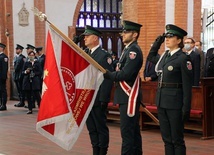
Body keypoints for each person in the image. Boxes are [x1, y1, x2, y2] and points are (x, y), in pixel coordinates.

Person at [147, 24, 193, 155]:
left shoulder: (183, 58)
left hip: (175, 103)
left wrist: (186, 108)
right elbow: (151, 56)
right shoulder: (165, 56)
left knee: (177, 139)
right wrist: (159, 40)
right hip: (162, 101)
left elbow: (187, 85)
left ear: (179, 41)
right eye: (166, 37)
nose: (167, 39)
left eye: (171, 37)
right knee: (166, 139)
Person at [104, 20, 143, 155]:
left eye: (126, 32)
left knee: (127, 132)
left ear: (135, 34)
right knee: (132, 131)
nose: (123, 34)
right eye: (123, 31)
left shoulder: (134, 51)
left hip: (129, 96)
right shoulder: (127, 50)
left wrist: (109, 75)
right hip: (124, 95)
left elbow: (126, 73)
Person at [82, 25, 114, 155]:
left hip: (98, 97)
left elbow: (108, 78)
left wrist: (103, 98)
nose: (85, 38)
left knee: (100, 127)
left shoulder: (103, 55)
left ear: (95, 38)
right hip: (87, 96)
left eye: (87, 36)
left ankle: (102, 151)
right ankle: (95, 149)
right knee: (91, 127)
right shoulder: (85, 53)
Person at [0, 43, 8, 111]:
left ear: (2, 48)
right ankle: (0, 103)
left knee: (3, 90)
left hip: (1, 77)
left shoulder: (4, 57)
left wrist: (3, 77)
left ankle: (3, 105)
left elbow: (4, 68)